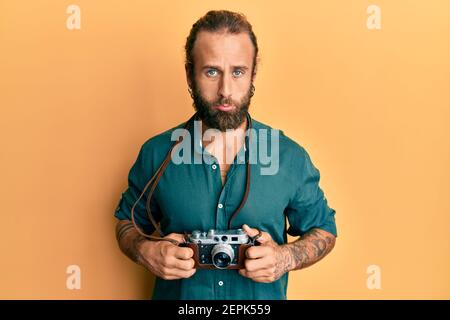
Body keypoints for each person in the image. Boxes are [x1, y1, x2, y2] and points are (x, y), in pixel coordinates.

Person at [114, 10, 337, 300]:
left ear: (253, 72)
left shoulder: (288, 156)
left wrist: (286, 257)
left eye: (238, 71)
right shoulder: (157, 153)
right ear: (189, 75)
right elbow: (126, 222)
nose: (225, 91)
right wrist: (146, 251)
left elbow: (324, 230)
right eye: (211, 72)